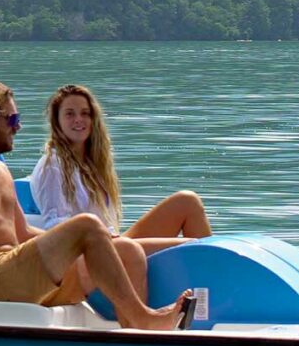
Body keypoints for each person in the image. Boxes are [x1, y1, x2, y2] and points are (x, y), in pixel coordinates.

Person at [0, 80, 196, 340]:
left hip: (20, 275)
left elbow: (23, 232)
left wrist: (94, 242)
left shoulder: (0, 171)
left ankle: (133, 338)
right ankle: (143, 319)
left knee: (125, 250)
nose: (18, 127)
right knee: (87, 224)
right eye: (12, 119)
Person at [27, 82, 213, 253]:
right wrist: (100, 236)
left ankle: (211, 283)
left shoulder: (92, 163)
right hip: (90, 252)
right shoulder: (53, 165)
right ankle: (208, 282)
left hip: (112, 243)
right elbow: (56, 226)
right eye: (69, 114)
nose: (78, 119)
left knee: (188, 202)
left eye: (85, 113)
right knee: (193, 246)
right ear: (56, 121)